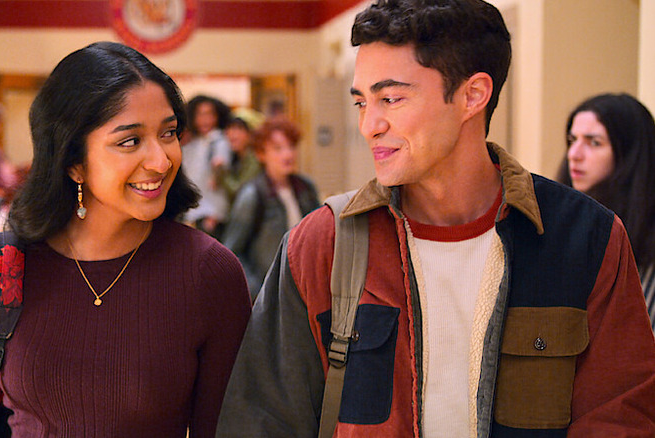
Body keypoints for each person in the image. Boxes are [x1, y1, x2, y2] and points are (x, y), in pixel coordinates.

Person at [216, 1, 655, 436]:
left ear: (472, 95)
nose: (369, 125)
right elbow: (260, 421)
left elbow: (621, 416)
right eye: (361, 103)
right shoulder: (321, 244)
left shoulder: (587, 237)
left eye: (390, 98)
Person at [0, 41, 251, 437]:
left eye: (169, 133)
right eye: (130, 140)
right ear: (73, 161)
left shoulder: (207, 273)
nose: (161, 160)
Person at [557, 93, 655, 332]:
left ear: (629, 154)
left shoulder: (643, 240)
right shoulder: (557, 220)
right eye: (572, 140)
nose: (574, 154)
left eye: (594, 142)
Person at [222, 117, 319, 300]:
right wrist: (258, 292)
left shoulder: (305, 188)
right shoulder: (252, 194)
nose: (287, 155)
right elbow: (232, 252)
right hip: (270, 296)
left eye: (291, 147)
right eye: (278, 148)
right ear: (261, 154)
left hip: (305, 293)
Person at [181, 95, 232, 238]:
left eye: (209, 114)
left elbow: (222, 164)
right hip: (193, 206)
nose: (205, 119)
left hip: (211, 208)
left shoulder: (219, 140)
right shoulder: (193, 141)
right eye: (200, 114)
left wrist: (218, 166)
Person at [218, 110, 263, 202]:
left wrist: (221, 172)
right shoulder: (237, 157)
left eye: (239, 129)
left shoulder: (255, 159)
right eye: (229, 128)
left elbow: (238, 191)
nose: (231, 134)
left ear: (251, 134)